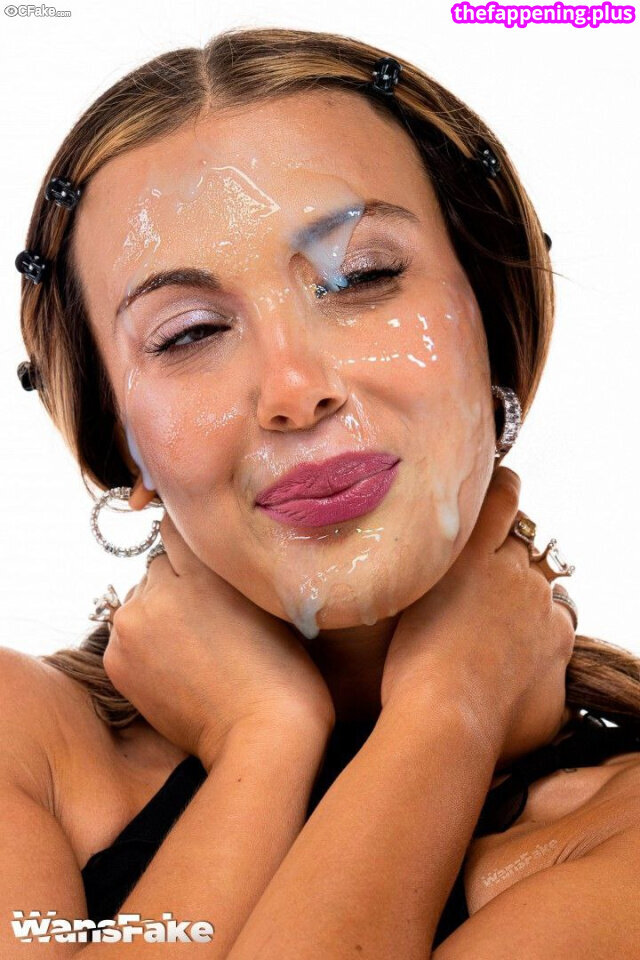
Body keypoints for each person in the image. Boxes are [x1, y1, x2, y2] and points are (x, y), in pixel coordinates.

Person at [4, 27, 640, 958]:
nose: (295, 390)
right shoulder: (22, 744)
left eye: (364, 277)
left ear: (493, 327)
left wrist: (448, 713)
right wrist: (265, 740)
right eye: (189, 333)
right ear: (117, 439)